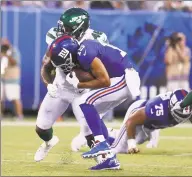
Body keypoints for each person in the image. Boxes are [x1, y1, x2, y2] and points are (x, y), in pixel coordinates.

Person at [34, 8, 110, 163]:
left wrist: (82, 76)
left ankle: (102, 159)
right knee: (41, 128)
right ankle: (49, 142)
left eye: (67, 28)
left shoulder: (96, 39)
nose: (63, 30)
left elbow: (101, 71)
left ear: (80, 28)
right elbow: (46, 65)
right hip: (61, 88)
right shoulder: (55, 36)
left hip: (84, 91)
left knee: (90, 133)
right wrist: (49, 84)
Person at [66, 31, 141, 169]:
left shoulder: (86, 49)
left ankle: (101, 144)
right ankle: (109, 160)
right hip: (121, 78)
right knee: (93, 116)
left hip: (124, 78)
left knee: (85, 101)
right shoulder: (90, 48)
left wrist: (78, 84)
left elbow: (104, 81)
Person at [110, 89, 191, 154]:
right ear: (171, 106)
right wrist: (131, 144)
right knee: (119, 148)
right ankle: (106, 132)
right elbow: (131, 121)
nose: (180, 118)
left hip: (153, 124)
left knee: (140, 139)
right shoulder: (156, 109)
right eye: (178, 114)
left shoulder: (188, 107)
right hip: (137, 111)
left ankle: (116, 134)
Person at [1, 38, 24, 120]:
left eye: (5, 44)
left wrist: (7, 55)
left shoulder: (14, 51)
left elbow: (15, 63)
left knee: (15, 98)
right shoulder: (1, 51)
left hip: (12, 79)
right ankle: (1, 115)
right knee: (1, 98)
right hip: (2, 78)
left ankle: (19, 116)